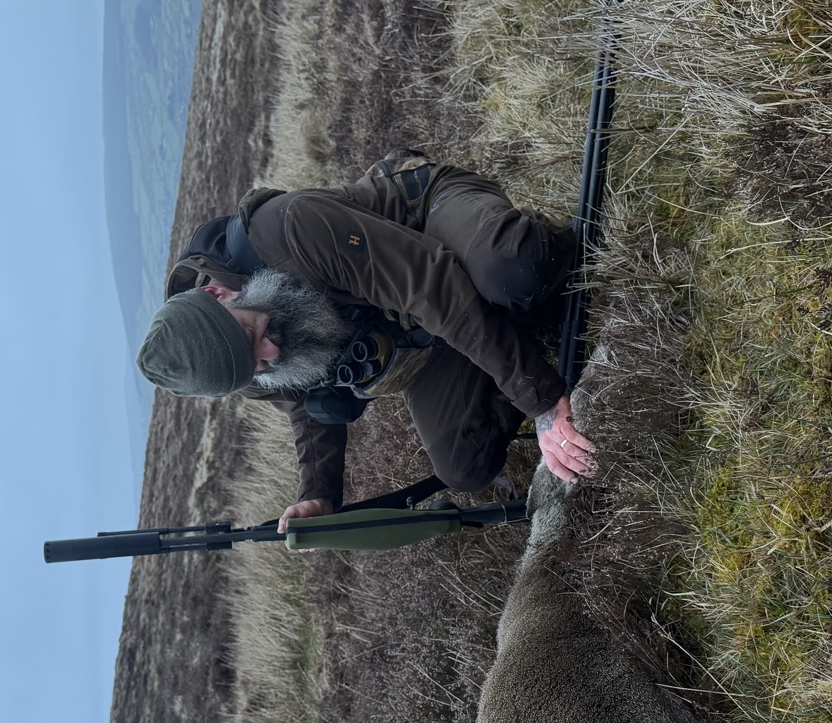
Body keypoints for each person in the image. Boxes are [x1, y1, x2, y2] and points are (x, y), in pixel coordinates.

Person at [136, 150, 598, 532]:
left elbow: (429, 286)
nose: (270, 353)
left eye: (252, 335)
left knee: (511, 268)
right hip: (419, 336)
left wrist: (542, 402)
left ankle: (540, 270)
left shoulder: (289, 229)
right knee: (464, 465)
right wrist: (317, 494)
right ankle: (508, 332)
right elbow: (306, 400)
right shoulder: (235, 366)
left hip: (425, 227)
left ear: (217, 293)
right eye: (258, 364)